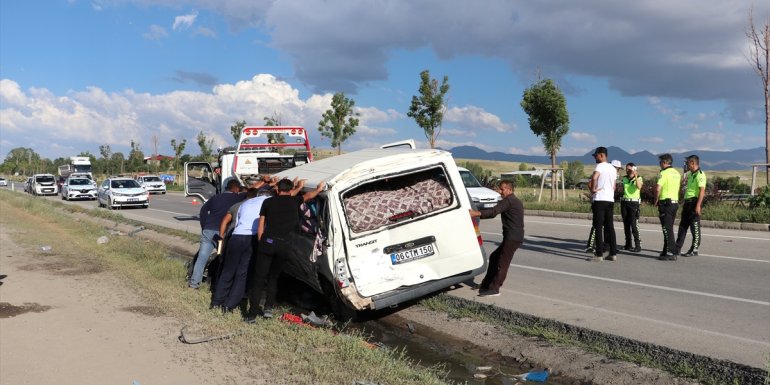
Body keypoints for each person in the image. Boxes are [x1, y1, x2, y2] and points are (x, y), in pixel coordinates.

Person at [246, 178, 326, 321]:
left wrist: (260, 241)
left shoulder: (268, 202)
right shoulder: (295, 201)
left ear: (277, 189)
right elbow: (308, 195)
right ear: (290, 190)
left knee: (259, 278)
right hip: (284, 246)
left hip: (267, 242)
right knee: (274, 277)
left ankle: (252, 314)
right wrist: (318, 189)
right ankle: (268, 309)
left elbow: (261, 224)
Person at [210, 188, 270, 312]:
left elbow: (237, 222)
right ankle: (229, 305)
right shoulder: (268, 201)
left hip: (236, 236)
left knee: (228, 270)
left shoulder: (245, 203)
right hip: (252, 238)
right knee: (242, 273)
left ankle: (216, 302)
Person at [469, 180, 524, 297]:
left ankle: (495, 289)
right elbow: (494, 210)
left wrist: (476, 213)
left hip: (512, 238)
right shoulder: (512, 200)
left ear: (509, 190)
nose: (500, 191)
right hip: (513, 236)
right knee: (494, 257)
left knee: (502, 263)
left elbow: (494, 211)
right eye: (500, 189)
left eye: (502, 189)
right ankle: (486, 284)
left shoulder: (509, 201)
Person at [188, 179, 243, 289]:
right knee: (221, 258)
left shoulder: (216, 197)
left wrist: (204, 225)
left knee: (202, 258)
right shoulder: (238, 198)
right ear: (236, 188)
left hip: (208, 231)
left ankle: (194, 284)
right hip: (221, 234)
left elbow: (203, 210)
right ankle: (216, 285)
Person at [587, 147, 618, 261]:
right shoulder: (613, 168)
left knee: (598, 226)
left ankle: (599, 254)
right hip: (610, 199)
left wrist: (593, 189)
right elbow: (614, 186)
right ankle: (613, 253)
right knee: (610, 227)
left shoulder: (600, 166)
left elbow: (594, 177)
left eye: (596, 156)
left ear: (601, 155)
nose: (595, 158)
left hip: (600, 199)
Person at [675, 155, 707, 256]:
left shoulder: (700, 175)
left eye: (688, 163)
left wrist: (698, 205)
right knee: (682, 227)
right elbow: (685, 187)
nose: (687, 165)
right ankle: (677, 248)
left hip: (694, 202)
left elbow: (702, 191)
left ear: (693, 163)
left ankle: (694, 249)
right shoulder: (690, 174)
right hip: (687, 202)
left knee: (695, 227)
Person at [655, 153, 681, 261]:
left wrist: (656, 199)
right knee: (668, 227)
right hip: (674, 203)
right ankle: (666, 250)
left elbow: (658, 188)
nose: (660, 164)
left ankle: (671, 252)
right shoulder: (677, 173)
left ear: (665, 162)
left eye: (660, 162)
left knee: (667, 229)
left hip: (666, 203)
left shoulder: (663, 173)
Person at [620, 162, 643, 252]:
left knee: (634, 225)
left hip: (634, 203)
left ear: (634, 169)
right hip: (625, 202)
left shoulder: (639, 178)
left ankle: (638, 245)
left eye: (629, 169)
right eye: (626, 169)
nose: (627, 170)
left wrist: (635, 176)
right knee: (626, 225)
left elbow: (639, 187)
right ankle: (628, 244)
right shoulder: (624, 178)